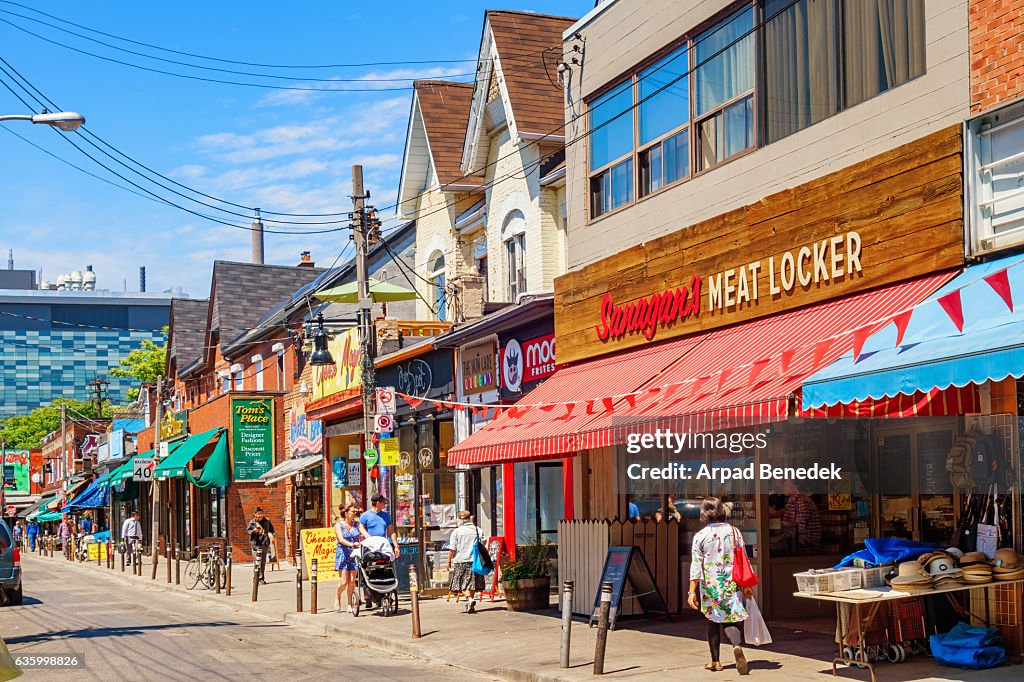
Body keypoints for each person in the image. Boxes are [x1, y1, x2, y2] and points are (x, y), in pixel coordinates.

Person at [688, 497, 752, 675]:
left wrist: (691, 591)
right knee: (730, 617)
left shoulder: (700, 536)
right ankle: (737, 645)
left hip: (710, 585)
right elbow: (743, 559)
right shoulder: (734, 532)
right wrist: (746, 585)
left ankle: (715, 661)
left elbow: (696, 566)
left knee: (713, 620)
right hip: (732, 583)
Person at [447, 510, 486, 613]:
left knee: (460, 583)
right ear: (470, 518)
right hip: (475, 561)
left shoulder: (456, 532)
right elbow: (483, 544)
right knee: (472, 583)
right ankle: (471, 605)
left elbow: (452, 549)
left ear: (460, 520)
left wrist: (449, 561)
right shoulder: (478, 530)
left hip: (461, 561)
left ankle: (469, 599)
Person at [333, 503, 362, 613]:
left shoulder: (357, 524)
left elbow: (364, 533)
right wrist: (351, 544)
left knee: (351, 581)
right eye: (353, 511)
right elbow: (341, 539)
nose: (355, 513)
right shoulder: (338, 525)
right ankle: (338, 596)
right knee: (344, 582)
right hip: (344, 555)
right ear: (346, 513)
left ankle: (350, 604)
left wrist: (373, 540)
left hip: (354, 554)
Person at [247, 507, 274, 584]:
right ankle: (256, 578)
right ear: (255, 514)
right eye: (258, 514)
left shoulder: (267, 521)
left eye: (261, 513)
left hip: (264, 544)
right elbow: (249, 531)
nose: (260, 515)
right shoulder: (252, 523)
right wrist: (254, 531)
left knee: (262, 562)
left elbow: (272, 530)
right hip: (255, 545)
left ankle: (261, 578)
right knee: (256, 562)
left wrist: (272, 536)